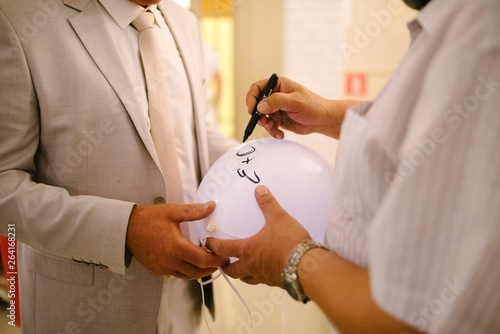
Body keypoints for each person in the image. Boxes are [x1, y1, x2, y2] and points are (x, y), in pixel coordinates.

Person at [207, 0, 500, 333]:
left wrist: (294, 256)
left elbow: (407, 322)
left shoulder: (482, 44)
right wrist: (327, 114)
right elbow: (424, 131)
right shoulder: (448, 29)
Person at [0, 0, 236, 332]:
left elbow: (198, 135)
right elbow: (5, 185)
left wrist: (261, 166)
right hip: (83, 312)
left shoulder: (184, 22)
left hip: (187, 304)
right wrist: (125, 230)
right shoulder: (18, 19)